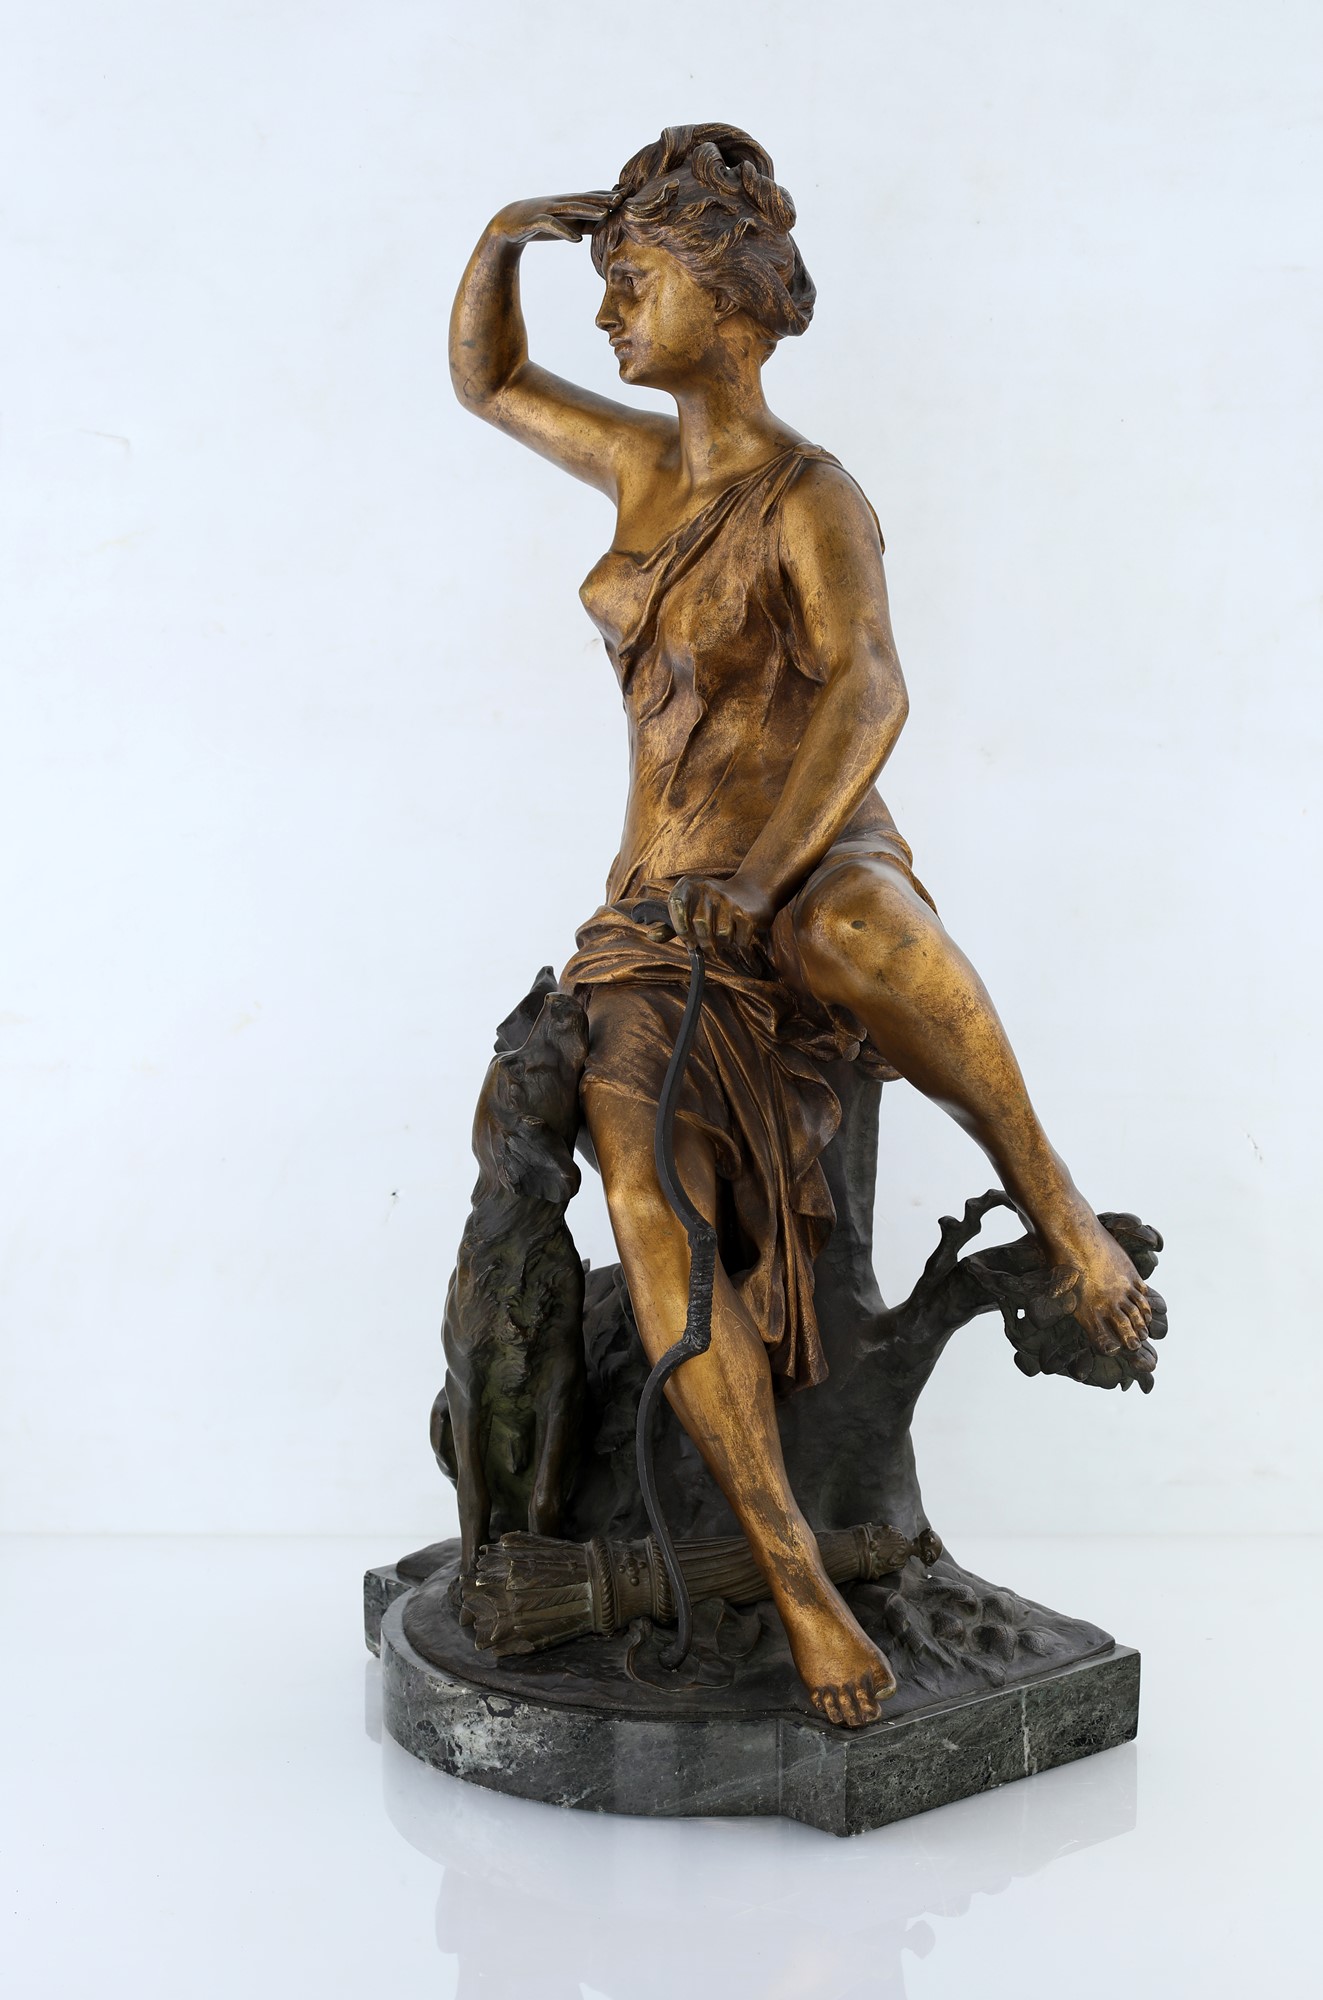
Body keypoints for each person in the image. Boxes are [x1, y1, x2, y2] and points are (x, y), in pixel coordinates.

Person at [449, 124, 1152, 1728]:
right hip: (655, 908)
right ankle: (793, 1579)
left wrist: (764, 882)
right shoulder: (637, 465)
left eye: (636, 281)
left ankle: (1059, 1210)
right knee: (644, 1186)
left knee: (856, 943)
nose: (610, 310)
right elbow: (488, 381)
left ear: (731, 302)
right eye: (606, 281)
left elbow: (871, 692)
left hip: (813, 857)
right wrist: (503, 234)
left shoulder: (813, 498)